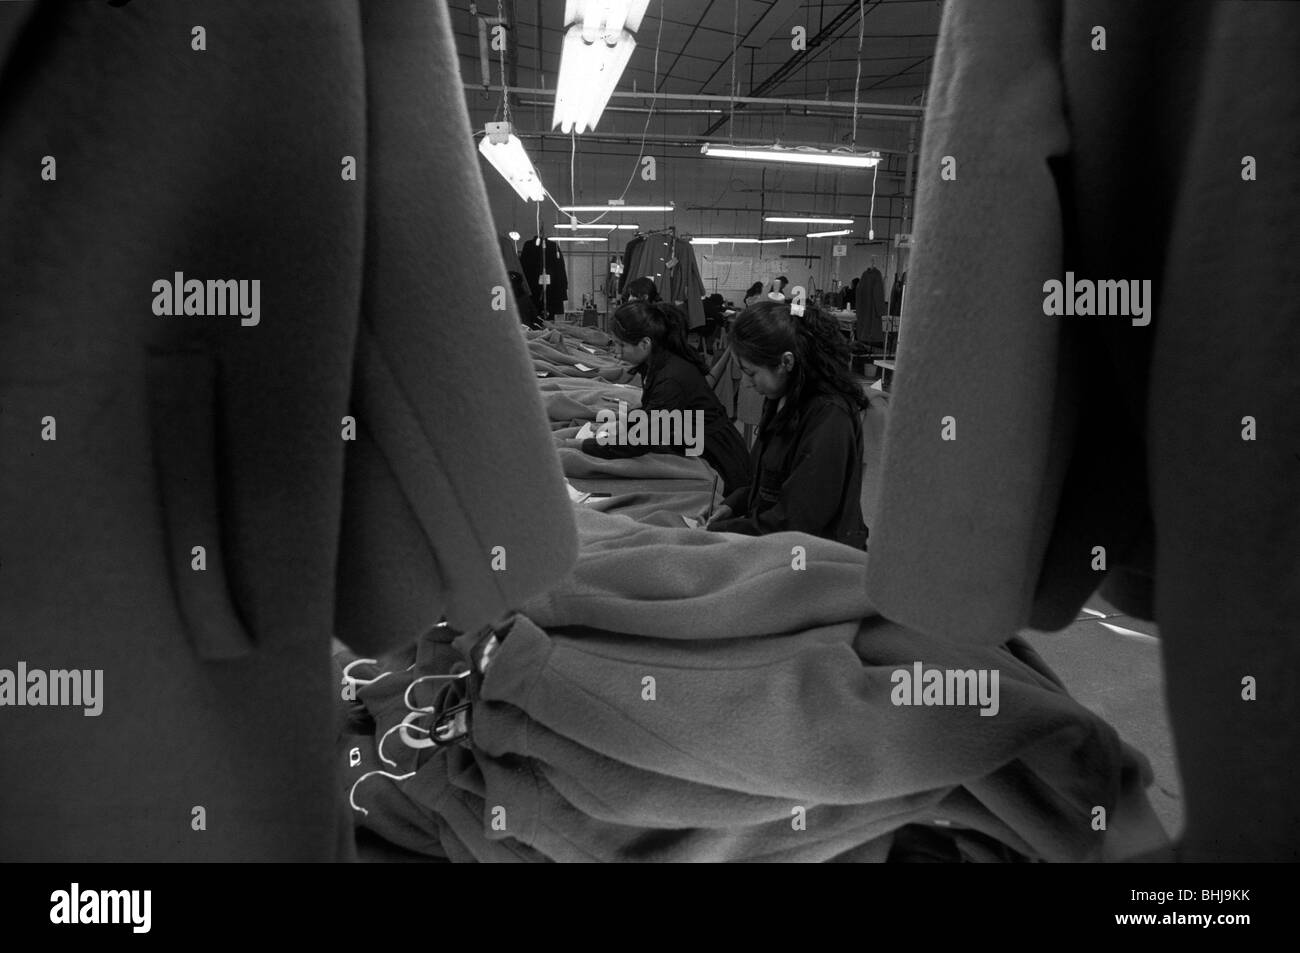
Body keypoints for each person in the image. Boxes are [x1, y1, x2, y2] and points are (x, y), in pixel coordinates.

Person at [703, 301, 868, 548]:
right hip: (778, 540)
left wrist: (723, 531)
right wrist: (734, 504)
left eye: (751, 373)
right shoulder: (782, 397)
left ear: (786, 363)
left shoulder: (830, 418)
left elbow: (799, 520)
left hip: (817, 556)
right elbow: (770, 484)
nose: (747, 384)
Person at [560, 300, 751, 495]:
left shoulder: (670, 379)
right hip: (692, 440)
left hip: (716, 459)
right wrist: (626, 423)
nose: (616, 353)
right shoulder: (656, 363)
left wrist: (582, 445)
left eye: (621, 345)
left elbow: (638, 441)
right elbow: (652, 413)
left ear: (645, 343)